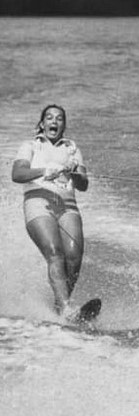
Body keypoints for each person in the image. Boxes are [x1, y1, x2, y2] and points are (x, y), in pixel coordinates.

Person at [11, 105, 90, 318]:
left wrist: (74, 172)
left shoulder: (72, 148)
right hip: (38, 201)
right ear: (42, 123)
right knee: (55, 253)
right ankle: (66, 308)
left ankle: (60, 307)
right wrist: (45, 171)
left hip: (67, 205)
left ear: (64, 124)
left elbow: (83, 185)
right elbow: (17, 174)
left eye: (59, 118)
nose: (54, 121)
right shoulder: (30, 146)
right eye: (49, 118)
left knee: (73, 258)